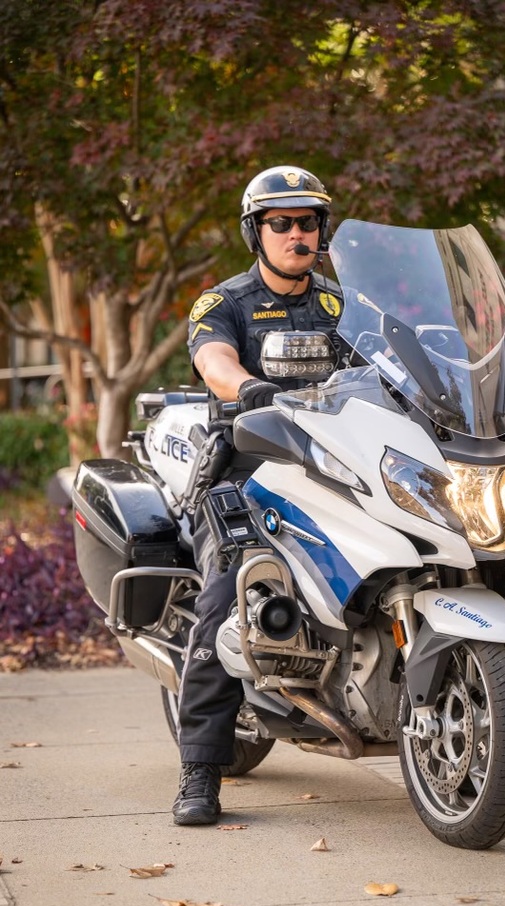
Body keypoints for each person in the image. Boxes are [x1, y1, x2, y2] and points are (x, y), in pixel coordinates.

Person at [173, 165, 343, 826]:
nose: (297, 233)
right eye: (281, 223)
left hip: (332, 468)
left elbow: (393, 362)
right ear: (256, 232)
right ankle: (199, 768)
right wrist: (246, 386)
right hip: (245, 471)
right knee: (229, 595)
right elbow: (214, 360)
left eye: (308, 222)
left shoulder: (342, 305)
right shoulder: (225, 302)